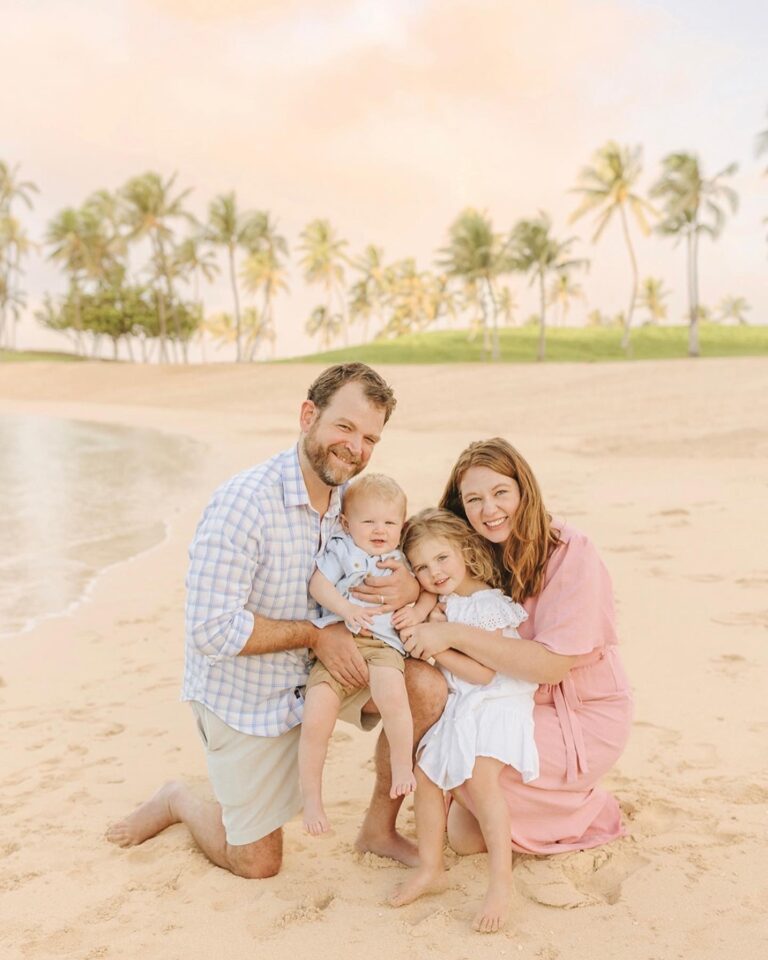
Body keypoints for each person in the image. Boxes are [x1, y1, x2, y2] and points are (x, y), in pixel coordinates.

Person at [106, 363, 446, 879]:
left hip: (328, 671)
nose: (355, 448)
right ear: (308, 415)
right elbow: (212, 631)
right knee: (258, 864)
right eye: (345, 427)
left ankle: (378, 827)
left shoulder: (352, 501)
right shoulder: (244, 504)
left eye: (370, 438)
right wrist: (315, 634)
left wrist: (412, 586)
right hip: (250, 696)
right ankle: (179, 800)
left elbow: (421, 551)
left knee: (425, 686)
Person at [400, 437, 633, 864]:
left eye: (500, 493)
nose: (489, 510)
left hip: (579, 712)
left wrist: (451, 634)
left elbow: (549, 666)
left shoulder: (570, 551)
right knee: (465, 833)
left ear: (523, 489)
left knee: (471, 756)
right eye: (474, 499)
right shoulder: (473, 548)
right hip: (509, 697)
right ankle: (522, 804)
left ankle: (582, 809)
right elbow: (422, 567)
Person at [390, 508, 540, 933]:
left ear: (466, 551)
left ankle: (500, 882)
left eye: (441, 558)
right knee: (425, 773)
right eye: (420, 566)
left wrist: (436, 648)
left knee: (480, 779)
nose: (433, 572)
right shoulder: (445, 603)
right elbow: (430, 610)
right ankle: (430, 865)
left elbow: (484, 673)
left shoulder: (489, 606)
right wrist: (425, 616)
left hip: (498, 697)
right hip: (466, 700)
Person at [300, 474, 416, 835]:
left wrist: (415, 603)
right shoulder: (342, 550)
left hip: (382, 646)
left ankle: (401, 763)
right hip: (337, 645)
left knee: (394, 697)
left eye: (389, 522)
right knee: (316, 720)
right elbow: (318, 585)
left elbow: (428, 589)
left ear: (402, 525)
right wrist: (345, 609)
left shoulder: (403, 558)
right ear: (348, 524)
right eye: (368, 522)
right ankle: (312, 801)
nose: (379, 530)